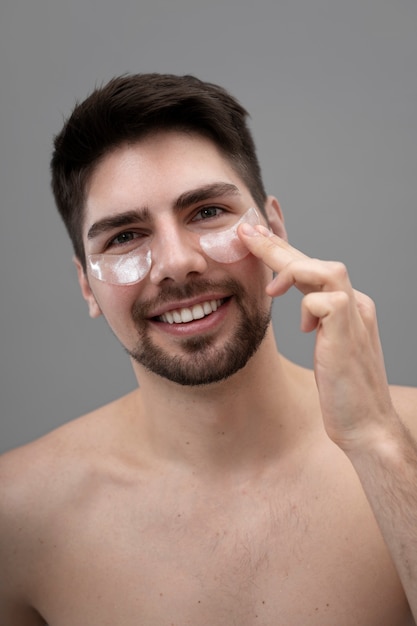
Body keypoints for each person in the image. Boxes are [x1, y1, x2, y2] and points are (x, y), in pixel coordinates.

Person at [0, 73, 416, 626]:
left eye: (206, 212)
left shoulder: (403, 444)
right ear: (86, 285)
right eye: (124, 236)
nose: (176, 262)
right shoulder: (18, 514)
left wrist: (376, 441)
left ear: (275, 228)